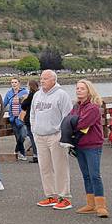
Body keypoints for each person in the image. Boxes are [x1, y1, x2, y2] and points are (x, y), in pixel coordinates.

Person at [31, 70, 74, 210]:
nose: (42, 81)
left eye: (45, 78)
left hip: (56, 135)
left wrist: (63, 135)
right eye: (41, 78)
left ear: (53, 80)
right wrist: (34, 130)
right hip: (40, 136)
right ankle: (50, 195)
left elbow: (67, 117)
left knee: (60, 167)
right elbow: (32, 114)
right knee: (45, 168)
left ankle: (64, 197)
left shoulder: (61, 95)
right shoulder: (37, 95)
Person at [70, 80, 108, 218]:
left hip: (92, 145)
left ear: (89, 91)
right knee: (86, 175)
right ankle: (91, 204)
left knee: (94, 175)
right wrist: (71, 123)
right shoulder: (76, 107)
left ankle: (101, 205)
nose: (79, 90)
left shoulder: (93, 108)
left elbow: (81, 123)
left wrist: (71, 123)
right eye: (77, 88)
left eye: (82, 88)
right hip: (80, 145)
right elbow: (68, 120)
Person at [3, 77, 30, 161]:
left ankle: (16, 150)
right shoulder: (9, 93)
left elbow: (29, 104)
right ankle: (22, 154)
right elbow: (4, 104)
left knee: (23, 136)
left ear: (19, 83)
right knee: (18, 137)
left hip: (22, 118)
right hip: (13, 118)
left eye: (15, 82)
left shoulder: (25, 92)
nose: (13, 84)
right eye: (12, 82)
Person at [20, 79, 39, 162]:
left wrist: (24, 99)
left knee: (32, 138)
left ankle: (36, 155)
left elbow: (23, 106)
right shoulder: (39, 94)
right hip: (38, 119)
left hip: (30, 119)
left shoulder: (31, 95)